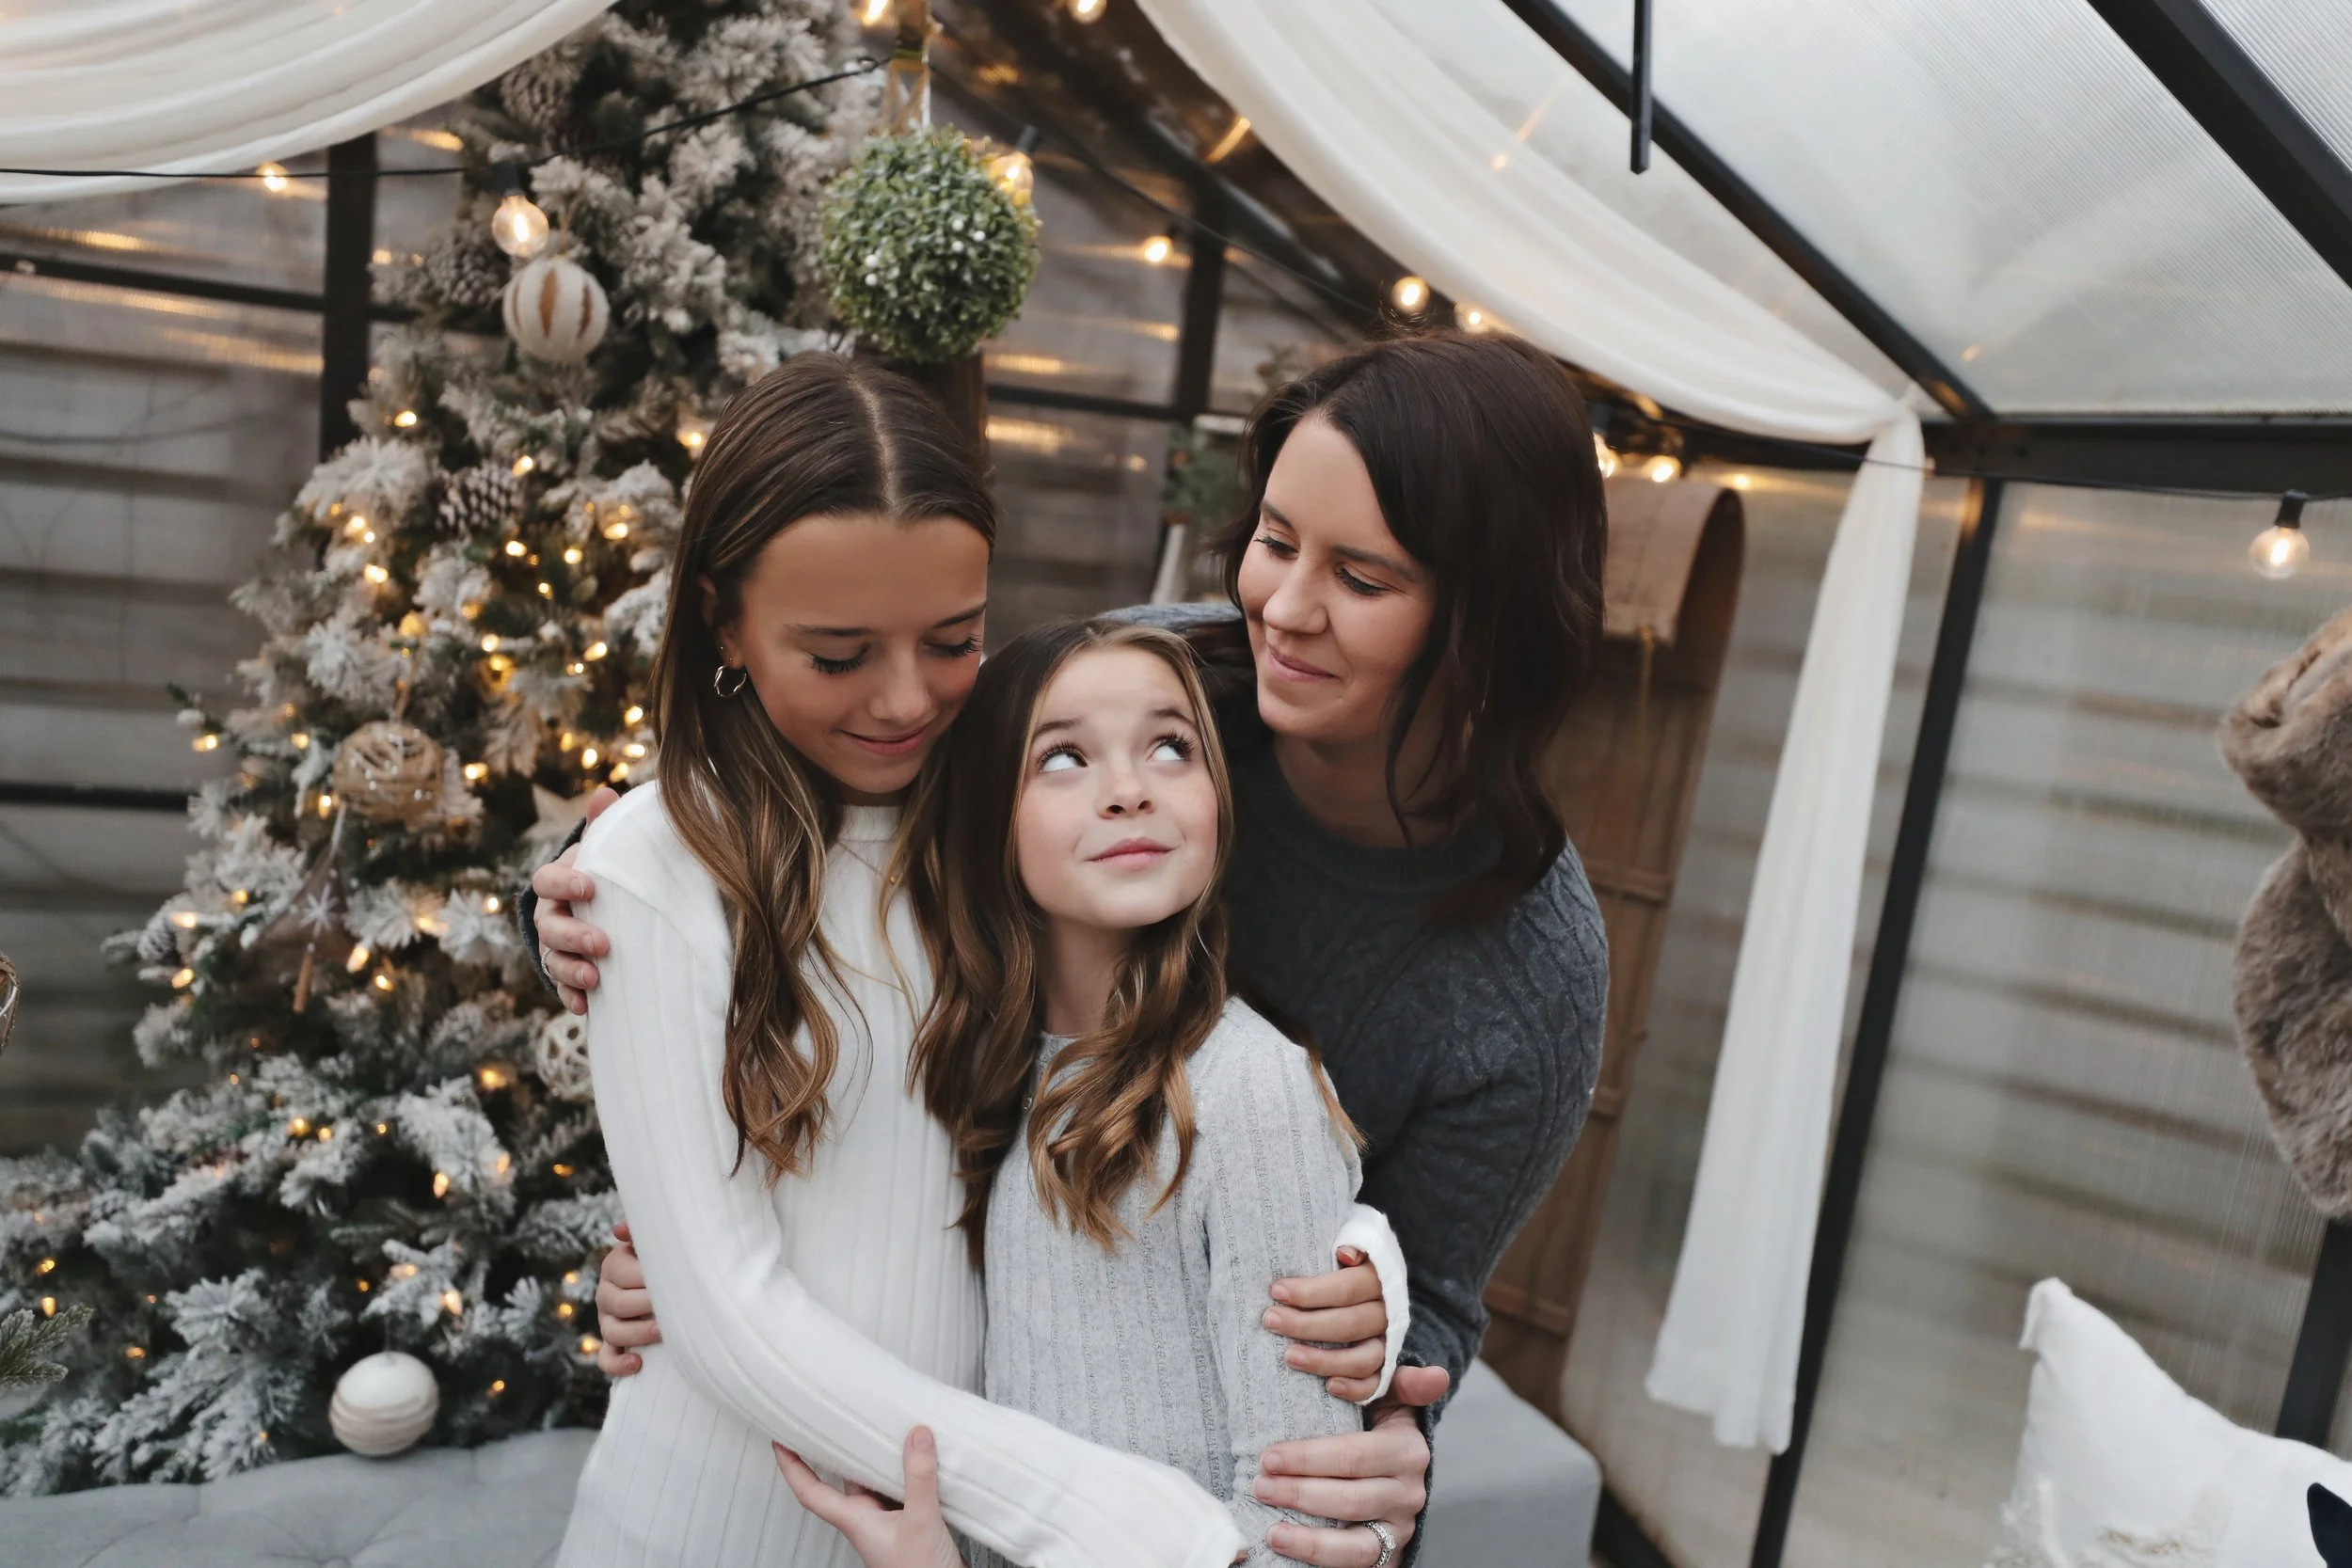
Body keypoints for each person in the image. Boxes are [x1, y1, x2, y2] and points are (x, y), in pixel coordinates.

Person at [532, 330, 1612, 1567]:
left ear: (1491, 621)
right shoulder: (1148, 682)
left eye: (1361, 576)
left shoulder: (1527, 981)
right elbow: (832, 778)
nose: (1282, 607)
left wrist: (1375, 1312)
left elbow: (1430, 1306)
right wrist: (582, 893)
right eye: (1274, 539)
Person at [777, 617, 1410, 1568]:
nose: (1129, 790)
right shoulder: (976, 1068)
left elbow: (1301, 1535)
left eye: (1170, 746)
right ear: (988, 817)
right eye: (1064, 757)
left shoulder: (1249, 1088)